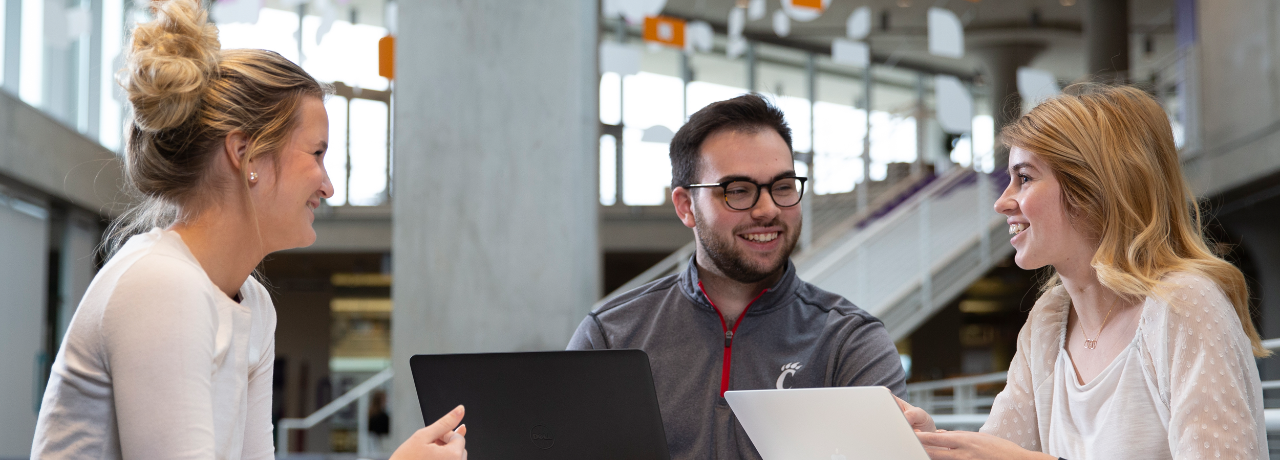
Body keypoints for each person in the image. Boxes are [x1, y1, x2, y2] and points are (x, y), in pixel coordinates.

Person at [29, 1, 466, 459]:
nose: (329, 186)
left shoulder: (254, 304)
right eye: (316, 154)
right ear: (248, 155)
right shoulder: (161, 286)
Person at [897, 84, 1269, 459]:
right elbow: (1001, 453)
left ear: (1091, 190)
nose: (1002, 202)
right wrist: (936, 444)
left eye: (1024, 178)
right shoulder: (1049, 319)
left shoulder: (1184, 304)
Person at [567, 94, 907, 459]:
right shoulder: (612, 336)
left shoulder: (849, 342)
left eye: (783, 187)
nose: (768, 210)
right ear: (686, 207)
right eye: (738, 191)